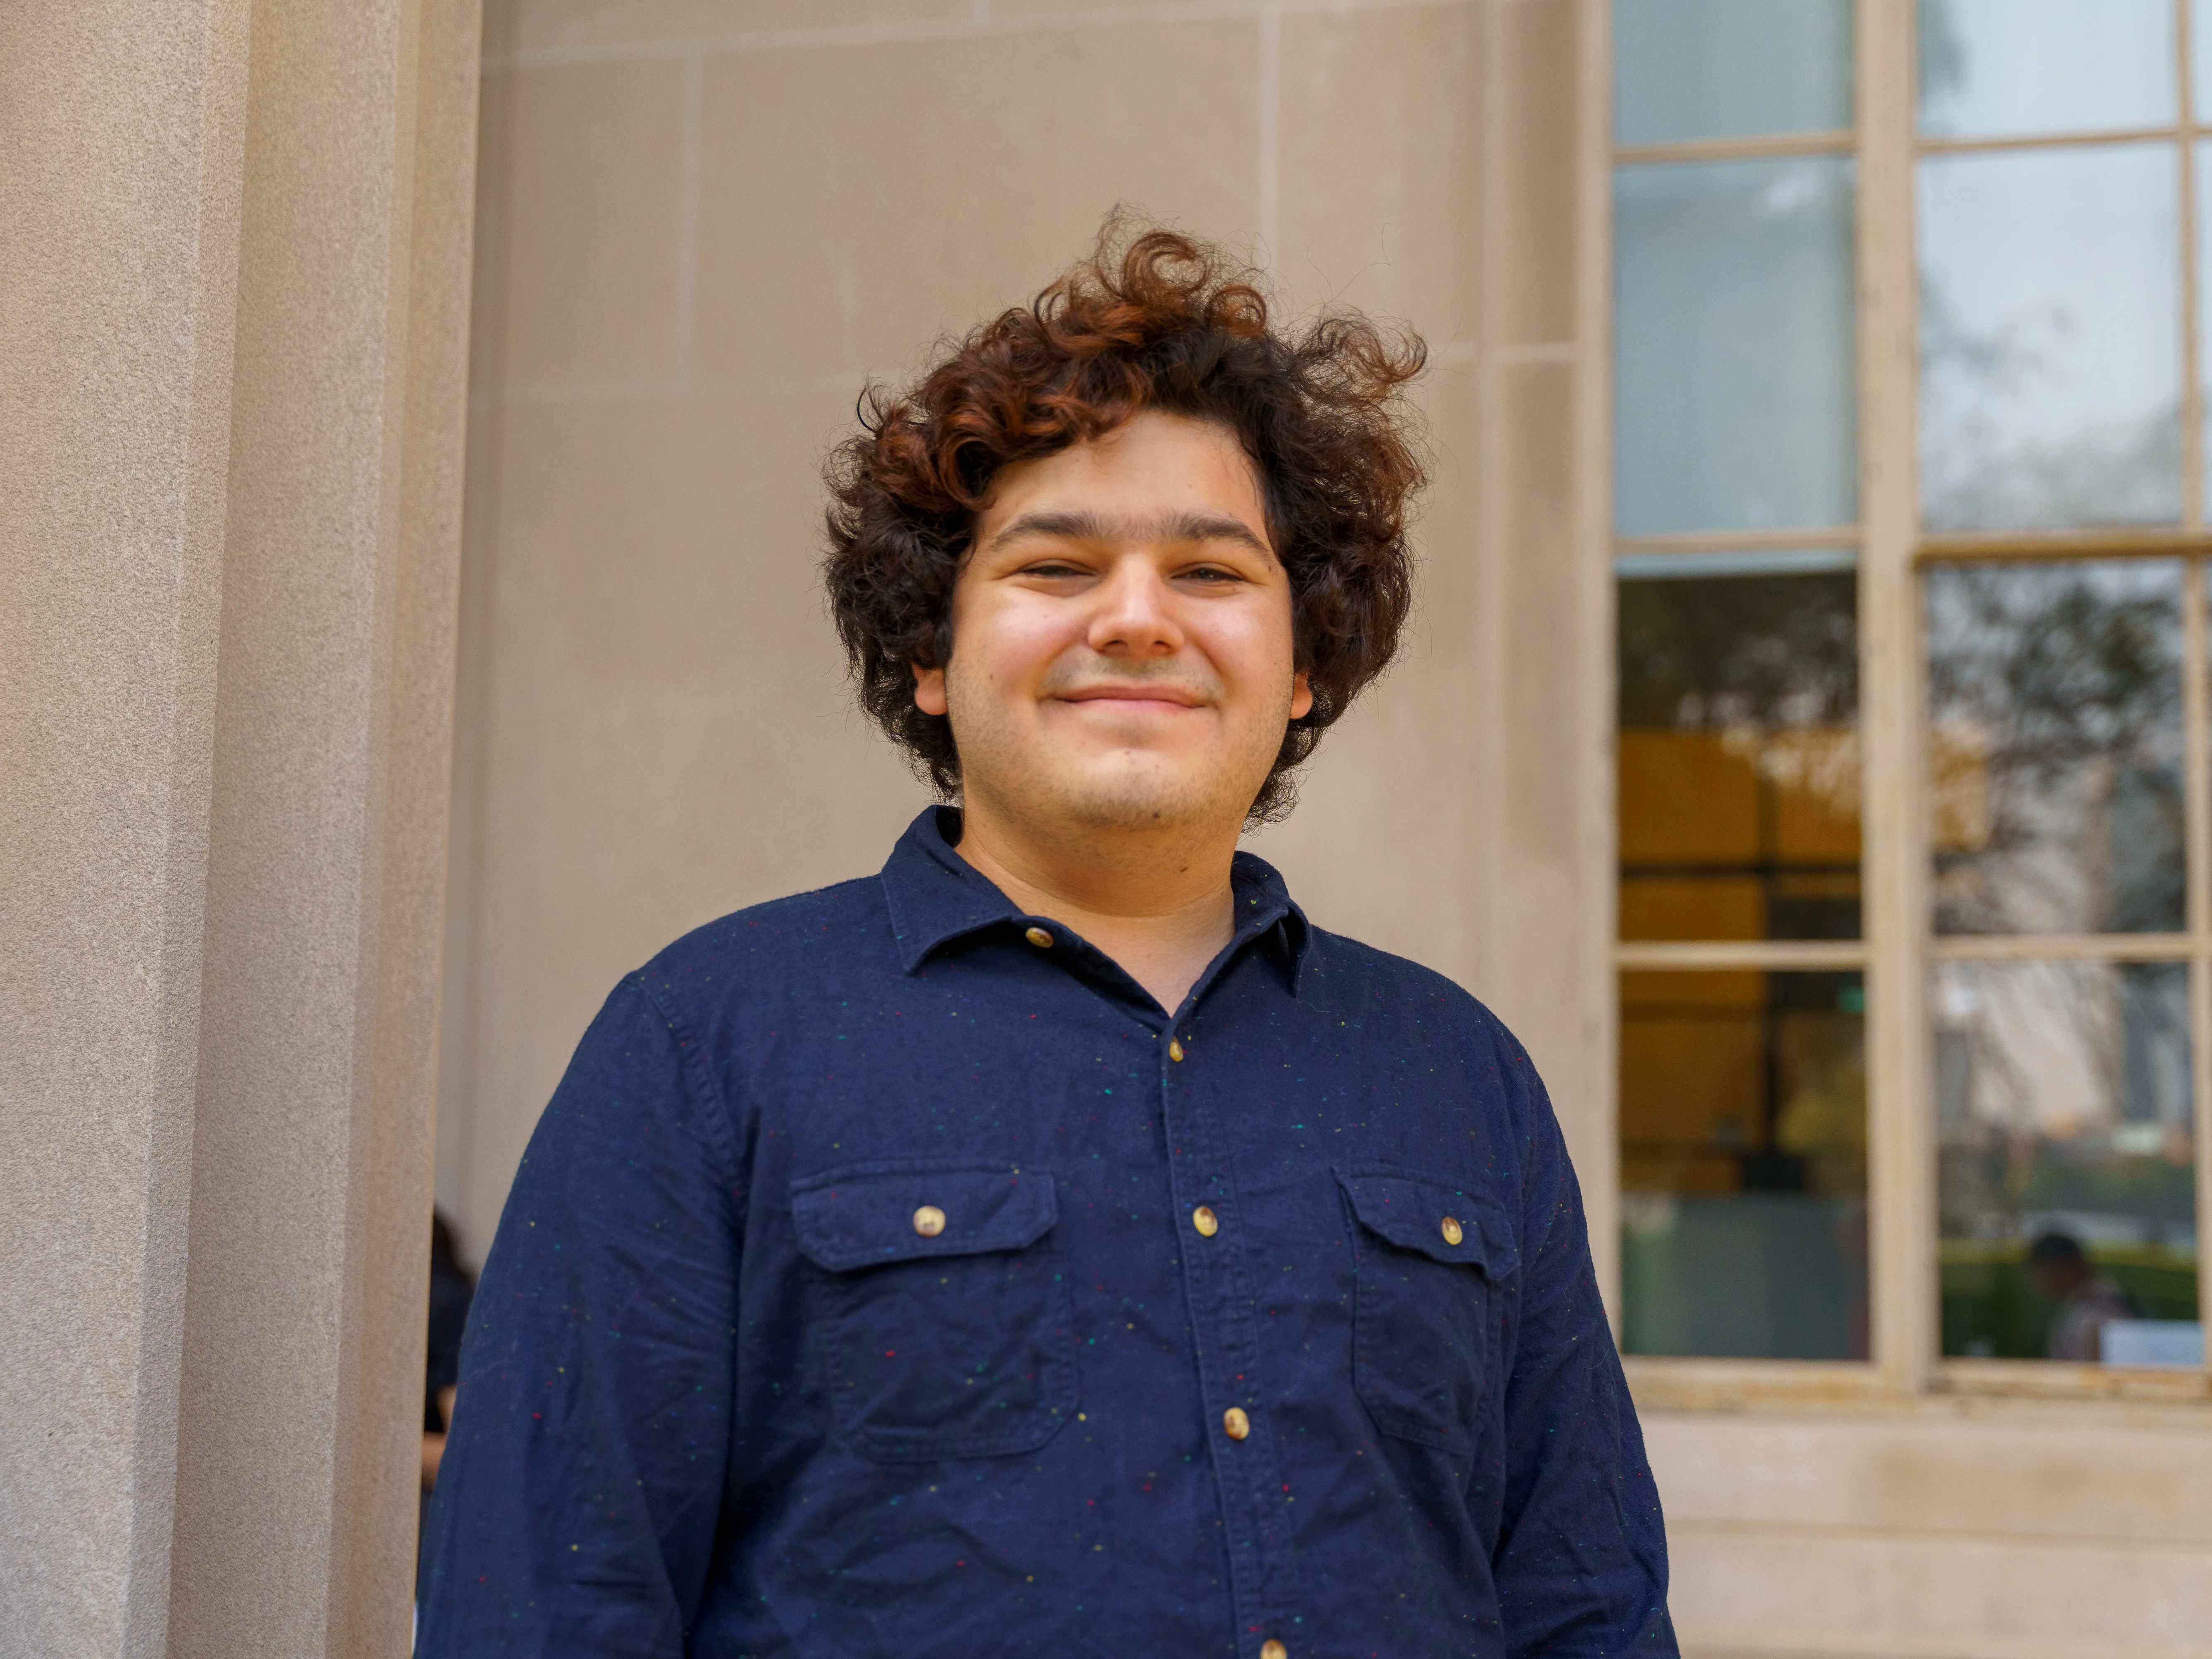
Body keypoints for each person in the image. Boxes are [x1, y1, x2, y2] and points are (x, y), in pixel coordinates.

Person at [418, 223, 1675, 1656]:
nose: (1136, 621)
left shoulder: (1461, 1077)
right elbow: (541, 1606)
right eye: (1055, 567)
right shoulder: (703, 1046)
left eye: (1210, 574)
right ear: (932, 654)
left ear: (1307, 658)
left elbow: (1586, 1607)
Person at [2026, 1231, 2134, 1362]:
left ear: (2062, 1267)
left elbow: (2092, 1374)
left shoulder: (2096, 1312)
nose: (2036, 1280)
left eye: (2040, 1271)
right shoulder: (2080, 1304)